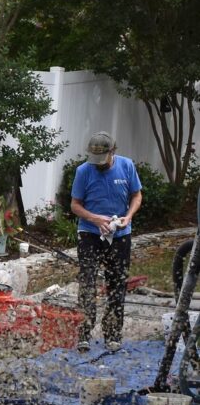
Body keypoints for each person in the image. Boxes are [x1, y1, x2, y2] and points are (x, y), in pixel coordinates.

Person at [70, 131, 143, 352]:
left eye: (103, 159)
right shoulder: (83, 171)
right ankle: (84, 333)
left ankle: (113, 334)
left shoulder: (127, 166)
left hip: (120, 234)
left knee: (117, 282)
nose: (98, 164)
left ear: (113, 151)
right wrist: (94, 218)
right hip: (90, 233)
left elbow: (136, 196)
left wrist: (128, 217)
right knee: (88, 282)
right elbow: (75, 205)